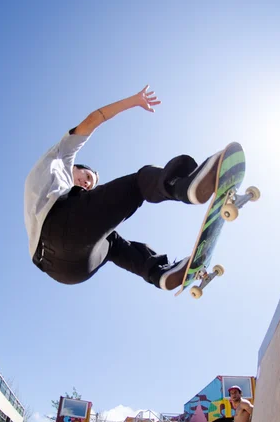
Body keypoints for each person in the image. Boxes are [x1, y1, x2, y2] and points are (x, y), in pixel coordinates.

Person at [24, 85, 224, 292]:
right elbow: (93, 119)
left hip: (66, 271)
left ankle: (159, 273)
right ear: (76, 167)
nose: (86, 184)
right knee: (139, 182)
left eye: (89, 185)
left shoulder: (51, 193)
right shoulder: (62, 156)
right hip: (59, 225)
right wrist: (133, 101)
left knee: (112, 242)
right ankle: (184, 184)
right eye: (86, 177)